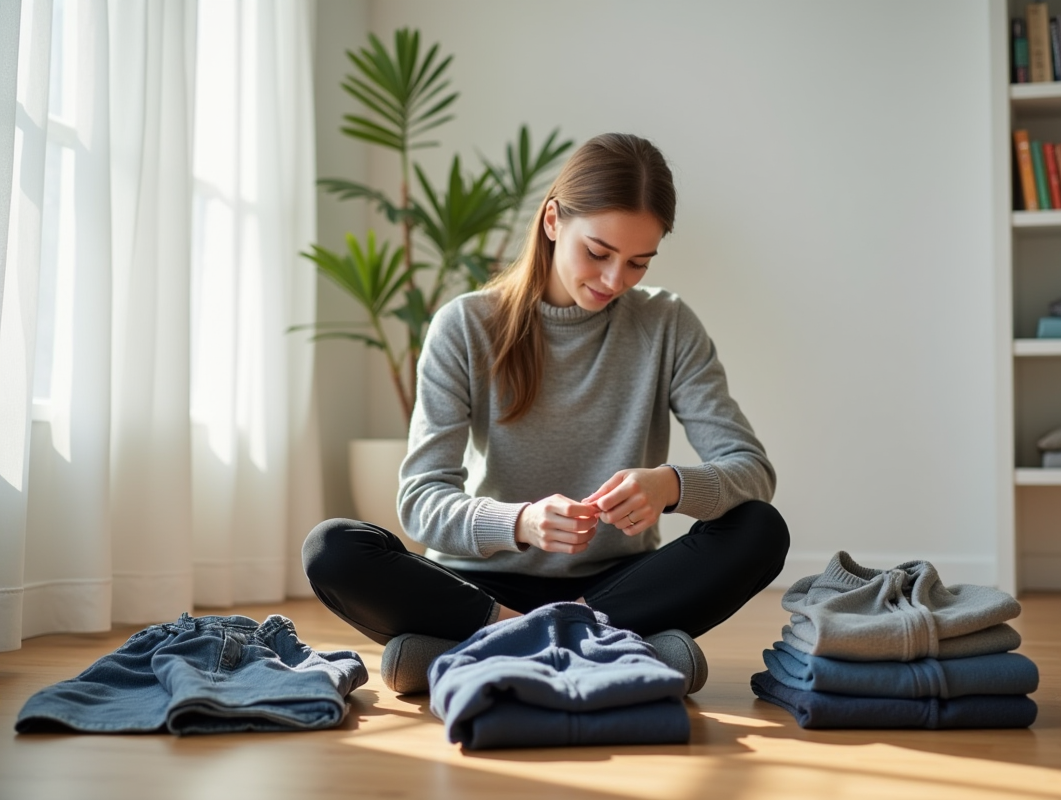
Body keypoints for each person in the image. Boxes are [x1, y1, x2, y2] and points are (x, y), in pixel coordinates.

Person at [303, 133, 790, 696]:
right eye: (598, 253)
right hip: (481, 587)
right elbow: (420, 502)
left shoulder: (667, 325)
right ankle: (608, 648)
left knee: (760, 529)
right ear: (553, 221)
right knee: (332, 549)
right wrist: (520, 522)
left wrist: (671, 486)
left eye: (638, 262)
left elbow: (751, 471)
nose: (614, 280)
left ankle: (473, 652)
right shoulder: (464, 326)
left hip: (614, 586)